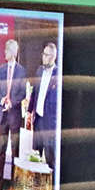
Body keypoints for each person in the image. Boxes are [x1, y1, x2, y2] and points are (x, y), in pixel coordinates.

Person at [0, 39, 27, 186]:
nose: (4, 52)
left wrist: (11, 102)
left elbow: (23, 93)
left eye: (7, 50)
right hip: (3, 115)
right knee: (1, 149)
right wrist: (2, 100)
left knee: (14, 150)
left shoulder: (21, 71)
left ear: (13, 53)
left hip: (14, 116)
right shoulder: (2, 69)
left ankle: (13, 182)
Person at [30, 40, 61, 177]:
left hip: (49, 124)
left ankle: (51, 188)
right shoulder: (39, 71)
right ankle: (35, 186)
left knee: (50, 159)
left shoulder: (58, 75)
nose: (43, 57)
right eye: (43, 54)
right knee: (35, 155)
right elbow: (34, 92)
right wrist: (30, 111)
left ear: (53, 57)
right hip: (38, 120)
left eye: (47, 55)